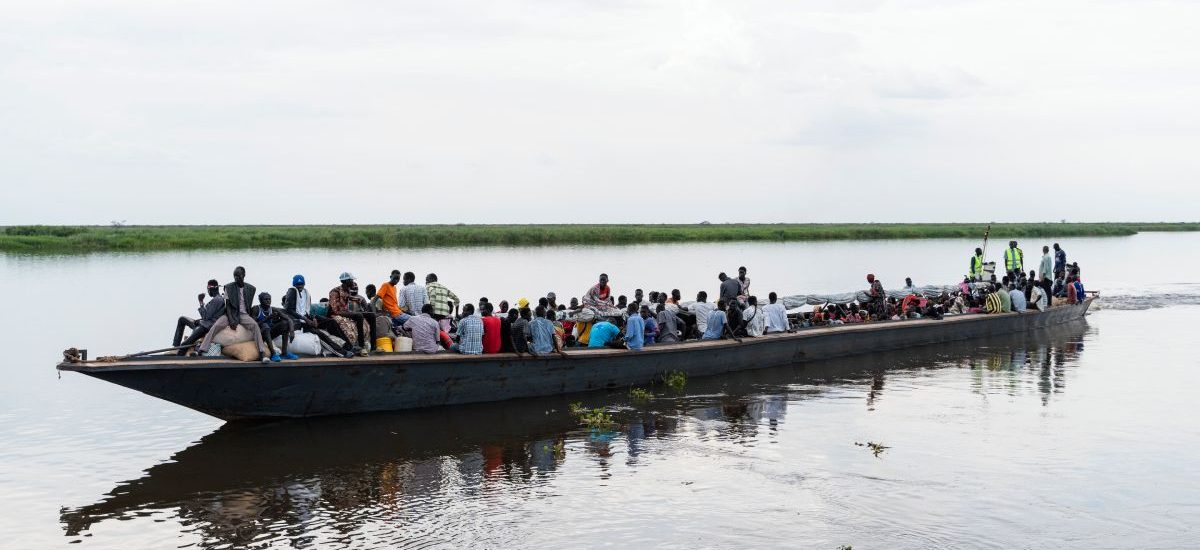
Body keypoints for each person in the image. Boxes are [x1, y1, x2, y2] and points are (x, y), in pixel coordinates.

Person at [198, 266, 270, 362]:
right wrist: (231, 319)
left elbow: (249, 305)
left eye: (238, 276)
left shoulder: (251, 289)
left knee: (255, 326)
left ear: (244, 275)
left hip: (243, 314)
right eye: (235, 276)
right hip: (230, 314)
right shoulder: (229, 287)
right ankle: (202, 349)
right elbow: (227, 306)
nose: (236, 278)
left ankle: (262, 353)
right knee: (216, 325)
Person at [282, 274, 355, 357]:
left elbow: (306, 311)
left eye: (301, 284)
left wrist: (313, 319)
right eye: (297, 285)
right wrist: (306, 320)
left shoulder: (306, 292)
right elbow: (289, 310)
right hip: (299, 322)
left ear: (304, 284)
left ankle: (349, 346)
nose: (300, 286)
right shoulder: (292, 291)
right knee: (319, 334)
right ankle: (342, 353)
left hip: (306, 317)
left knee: (331, 322)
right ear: (294, 285)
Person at [174, 279, 225, 355]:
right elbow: (209, 316)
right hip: (202, 323)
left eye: (208, 289)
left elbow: (206, 317)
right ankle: (176, 346)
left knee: (185, 344)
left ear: (210, 288)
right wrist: (200, 320)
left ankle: (178, 359)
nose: (208, 292)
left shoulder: (217, 300)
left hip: (205, 327)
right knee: (182, 319)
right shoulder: (217, 299)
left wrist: (201, 301)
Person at [328, 272, 373, 356]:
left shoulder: (347, 290)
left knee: (371, 315)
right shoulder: (334, 292)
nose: (353, 282)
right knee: (359, 316)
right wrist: (349, 313)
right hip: (336, 314)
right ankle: (361, 346)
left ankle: (374, 346)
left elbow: (351, 297)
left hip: (345, 312)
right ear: (346, 281)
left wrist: (360, 300)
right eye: (351, 280)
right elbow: (334, 311)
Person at [250, 292, 297, 361]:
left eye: (269, 299)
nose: (268, 301)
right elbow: (253, 325)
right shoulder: (256, 309)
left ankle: (284, 353)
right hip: (260, 334)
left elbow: (288, 319)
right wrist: (268, 318)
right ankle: (273, 353)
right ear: (260, 300)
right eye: (265, 299)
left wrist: (292, 331)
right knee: (265, 326)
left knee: (285, 323)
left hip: (270, 334)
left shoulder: (273, 309)